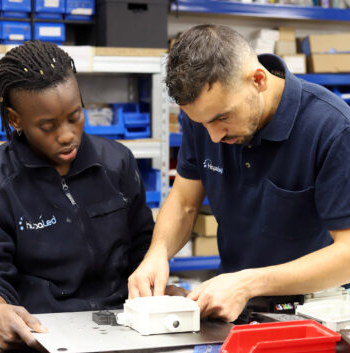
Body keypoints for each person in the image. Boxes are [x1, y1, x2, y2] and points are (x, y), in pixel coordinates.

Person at [128, 24, 350, 321]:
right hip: (233, 306)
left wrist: (247, 283)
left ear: (258, 80)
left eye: (222, 118)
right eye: (201, 123)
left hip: (311, 313)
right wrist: (157, 254)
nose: (215, 138)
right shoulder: (206, 116)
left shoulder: (332, 128)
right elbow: (183, 201)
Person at [0, 41, 154, 353]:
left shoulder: (117, 163)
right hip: (40, 338)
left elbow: (143, 248)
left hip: (122, 330)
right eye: (48, 126)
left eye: (75, 115)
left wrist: (158, 293)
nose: (67, 134)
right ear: (15, 120)